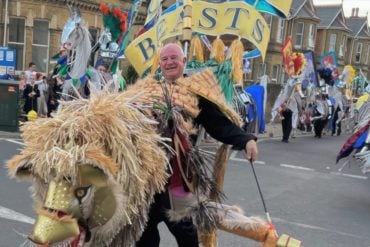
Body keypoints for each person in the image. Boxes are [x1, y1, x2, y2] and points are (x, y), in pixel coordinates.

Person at [136, 43, 258, 247]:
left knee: (184, 232)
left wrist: (245, 139)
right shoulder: (149, 93)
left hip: (178, 176)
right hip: (148, 178)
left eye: (173, 57)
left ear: (183, 61)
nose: (169, 62)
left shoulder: (195, 93)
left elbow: (218, 124)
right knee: (143, 231)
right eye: (164, 59)